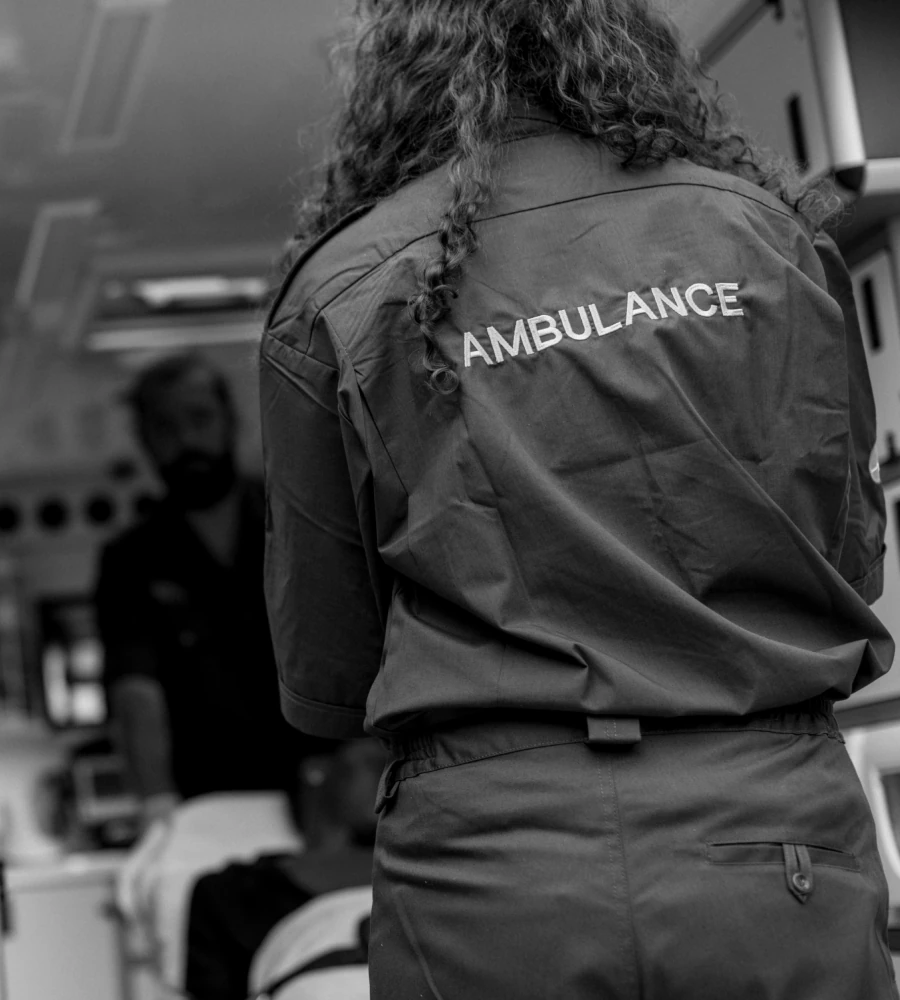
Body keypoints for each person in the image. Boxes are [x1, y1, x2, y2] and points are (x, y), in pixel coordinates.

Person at [258, 2, 899, 998]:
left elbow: (331, 666)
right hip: (770, 846)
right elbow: (852, 558)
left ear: (402, 69)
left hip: (491, 874)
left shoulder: (343, 288)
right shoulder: (761, 233)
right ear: (617, 39)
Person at [95, 353, 322, 831]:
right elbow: (135, 690)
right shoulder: (130, 561)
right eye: (165, 428)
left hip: (325, 788)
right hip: (209, 806)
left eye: (200, 419)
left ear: (231, 421)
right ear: (144, 441)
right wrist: (157, 804)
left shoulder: (302, 521)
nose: (186, 441)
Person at [184, 738, 384, 1000]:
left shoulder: (425, 872)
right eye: (373, 761)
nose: (392, 772)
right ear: (317, 768)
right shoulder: (233, 892)